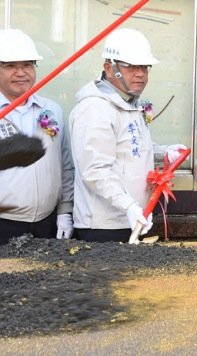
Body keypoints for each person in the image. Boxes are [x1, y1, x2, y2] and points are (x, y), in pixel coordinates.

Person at [70, 28, 185, 242]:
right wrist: (129, 205)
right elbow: (95, 170)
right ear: (109, 68)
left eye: (144, 67)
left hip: (133, 220)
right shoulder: (95, 109)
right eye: (131, 66)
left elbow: (130, 149)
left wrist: (164, 153)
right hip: (104, 226)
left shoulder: (129, 103)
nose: (140, 74)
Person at [0, 29, 74, 245]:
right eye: (10, 66)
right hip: (4, 223)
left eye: (28, 65)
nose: (21, 73)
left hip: (46, 223)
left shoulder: (52, 110)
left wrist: (65, 210)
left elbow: (65, 165)